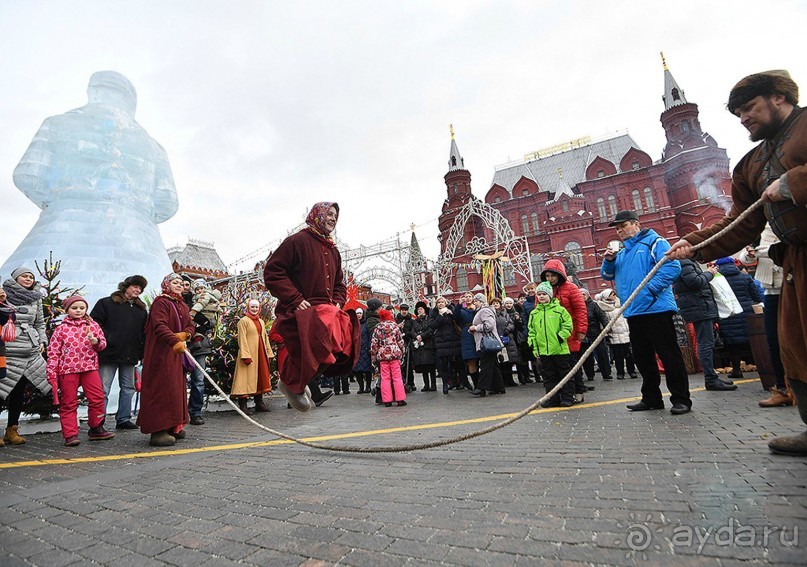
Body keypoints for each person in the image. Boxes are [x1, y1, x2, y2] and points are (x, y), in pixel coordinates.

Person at [667, 70, 807, 453]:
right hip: (796, 262)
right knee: (797, 346)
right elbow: (741, 223)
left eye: (749, 108)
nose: (744, 118)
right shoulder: (753, 164)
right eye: (738, 113)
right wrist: (693, 244)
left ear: (779, 97)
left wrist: (793, 183)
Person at [1, 71, 178, 302]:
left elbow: (27, 175)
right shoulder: (155, 148)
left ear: (93, 91)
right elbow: (167, 203)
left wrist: (63, 200)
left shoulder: (57, 124)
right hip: (142, 248)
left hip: (59, 235)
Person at [263, 202, 359, 412]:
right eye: (329, 214)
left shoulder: (333, 251)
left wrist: (337, 301)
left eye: (336, 216)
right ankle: (292, 383)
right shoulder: (297, 241)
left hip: (327, 311)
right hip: (302, 309)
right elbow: (272, 272)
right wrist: (295, 299)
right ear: (318, 214)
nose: (333, 219)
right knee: (324, 338)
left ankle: (297, 382)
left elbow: (339, 284)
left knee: (344, 340)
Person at [602, 210, 692, 415]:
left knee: (669, 355)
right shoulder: (622, 252)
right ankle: (651, 398)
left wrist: (649, 290)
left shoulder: (655, 242)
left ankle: (681, 399)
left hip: (656, 308)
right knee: (643, 358)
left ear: (636, 224)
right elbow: (607, 275)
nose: (620, 231)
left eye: (623, 226)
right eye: (617, 228)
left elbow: (672, 267)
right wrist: (609, 260)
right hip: (634, 312)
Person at [46, 295, 114, 446]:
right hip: (68, 370)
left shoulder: (93, 325)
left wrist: (95, 341)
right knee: (69, 402)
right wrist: (52, 372)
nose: (78, 311)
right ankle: (70, 434)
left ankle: (96, 428)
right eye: (74, 308)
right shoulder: (61, 329)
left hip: (89, 368)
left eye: (82, 308)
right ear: (67, 310)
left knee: (97, 398)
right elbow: (53, 352)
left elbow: (102, 344)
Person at [138, 273, 195, 446]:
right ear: (167, 285)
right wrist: (174, 340)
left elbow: (190, 325)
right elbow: (159, 325)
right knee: (161, 389)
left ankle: (173, 426)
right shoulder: (161, 303)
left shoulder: (182, 305)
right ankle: (158, 430)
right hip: (161, 353)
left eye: (181, 283)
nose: (179, 285)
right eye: (175, 282)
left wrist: (185, 335)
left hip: (176, 354)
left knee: (176, 388)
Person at [738, 224, 791, 406]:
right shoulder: (760, 225)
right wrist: (750, 254)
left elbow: (789, 250)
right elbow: (745, 256)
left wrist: (765, 252)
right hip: (770, 290)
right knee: (774, 342)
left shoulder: (789, 219)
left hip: (793, 284)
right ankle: (782, 388)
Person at [90, 275, 148, 430]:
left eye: (140, 288)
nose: (138, 290)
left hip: (130, 354)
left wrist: (142, 352)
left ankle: (123, 419)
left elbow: (144, 333)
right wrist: (108, 338)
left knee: (128, 388)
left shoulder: (141, 310)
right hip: (108, 352)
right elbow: (94, 323)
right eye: (135, 286)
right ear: (126, 286)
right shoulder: (106, 303)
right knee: (103, 389)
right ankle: (97, 422)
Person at [1, 267, 50, 445]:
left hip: (28, 349)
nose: (28, 279)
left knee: (19, 391)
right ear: (15, 278)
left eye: (31, 276)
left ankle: (12, 429)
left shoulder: (36, 297)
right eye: (24, 276)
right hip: (7, 347)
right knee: (1, 389)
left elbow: (39, 322)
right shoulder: (4, 294)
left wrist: (42, 340)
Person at [672, 260, 737, 391]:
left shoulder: (687, 263)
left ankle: (712, 376)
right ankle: (710, 379)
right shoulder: (685, 263)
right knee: (705, 343)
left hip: (700, 306)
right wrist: (710, 273)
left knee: (707, 342)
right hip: (699, 306)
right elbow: (695, 282)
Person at [540, 260, 588, 400]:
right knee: (554, 368)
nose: (550, 279)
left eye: (553, 275)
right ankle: (561, 395)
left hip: (569, 333)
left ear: (560, 275)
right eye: (547, 276)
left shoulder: (571, 288)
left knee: (572, 365)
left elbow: (580, 310)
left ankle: (578, 392)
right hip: (551, 335)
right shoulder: (543, 289)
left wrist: (581, 330)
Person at [713, 257, 764, 378]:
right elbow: (757, 296)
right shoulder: (746, 277)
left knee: (732, 345)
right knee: (753, 342)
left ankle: (736, 370)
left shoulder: (716, 281)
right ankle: (762, 367)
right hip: (747, 313)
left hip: (728, 315)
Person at [527, 282, 575, 407]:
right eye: (539, 294)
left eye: (544, 294)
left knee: (564, 374)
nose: (541, 296)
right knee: (548, 376)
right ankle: (552, 398)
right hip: (543, 351)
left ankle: (568, 397)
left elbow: (568, 325)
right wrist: (534, 347)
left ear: (550, 295)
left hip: (560, 350)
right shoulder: (534, 313)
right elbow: (532, 331)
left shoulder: (560, 310)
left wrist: (560, 337)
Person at [230, 299, 274, 415]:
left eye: (256, 307)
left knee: (259, 377)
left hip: (260, 353)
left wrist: (268, 352)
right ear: (248, 308)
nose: (254, 309)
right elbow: (242, 339)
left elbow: (265, 337)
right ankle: (243, 405)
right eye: (252, 307)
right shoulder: (243, 321)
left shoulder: (261, 321)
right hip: (249, 354)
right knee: (244, 379)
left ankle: (259, 402)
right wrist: (245, 355)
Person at [468, 293, 506, 397]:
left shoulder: (484, 310)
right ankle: (499, 387)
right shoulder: (483, 310)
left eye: (476, 301)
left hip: (486, 343)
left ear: (481, 301)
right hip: (486, 342)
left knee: (485, 365)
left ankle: (482, 388)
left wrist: (476, 328)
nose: (474, 303)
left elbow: (489, 325)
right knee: (492, 365)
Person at [596, 289, 638, 380]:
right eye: (612, 294)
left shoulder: (621, 304)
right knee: (618, 356)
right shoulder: (603, 308)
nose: (614, 296)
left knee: (629, 354)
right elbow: (603, 321)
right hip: (614, 334)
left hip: (625, 332)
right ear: (607, 296)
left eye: (614, 294)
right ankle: (620, 372)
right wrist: (606, 334)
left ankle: (632, 371)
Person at [370, 309, 407, 407]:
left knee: (385, 378)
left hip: (383, 355)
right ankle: (400, 399)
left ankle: (387, 401)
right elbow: (400, 341)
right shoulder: (395, 327)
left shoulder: (377, 328)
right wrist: (402, 352)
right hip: (394, 354)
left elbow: (374, 344)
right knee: (397, 377)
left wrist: (373, 356)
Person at [429, 296, 463, 394]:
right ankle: (445, 384)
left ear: (445, 303)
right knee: (444, 364)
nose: (440, 304)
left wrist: (451, 314)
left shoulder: (451, 310)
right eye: (438, 302)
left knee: (458, 363)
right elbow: (432, 325)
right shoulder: (434, 313)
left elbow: (457, 319)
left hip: (453, 340)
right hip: (442, 341)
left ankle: (461, 382)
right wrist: (440, 315)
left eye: (442, 302)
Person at [580, 288, 612, 382]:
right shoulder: (577, 306)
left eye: (583, 294)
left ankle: (606, 373)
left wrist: (607, 327)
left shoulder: (594, 305)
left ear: (588, 295)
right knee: (586, 356)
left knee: (602, 354)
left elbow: (602, 317)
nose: (582, 296)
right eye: (580, 294)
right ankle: (590, 375)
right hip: (583, 334)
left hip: (595, 333)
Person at [453, 291, 480, 390]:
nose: (468, 298)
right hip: (467, 335)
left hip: (478, 332)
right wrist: (459, 304)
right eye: (466, 297)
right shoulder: (461, 310)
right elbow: (456, 317)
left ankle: (483, 384)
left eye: (470, 296)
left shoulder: (477, 308)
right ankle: (476, 385)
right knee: (471, 360)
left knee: (481, 359)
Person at [490, 297, 518, 388]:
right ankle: (503, 380)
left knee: (508, 361)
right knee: (501, 361)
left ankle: (510, 379)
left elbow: (511, 323)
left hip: (507, 339)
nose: (495, 305)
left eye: (497, 303)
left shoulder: (505, 313)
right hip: (497, 339)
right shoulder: (490, 314)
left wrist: (508, 329)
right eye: (493, 303)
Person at [409, 301, 437, 392]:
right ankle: (426, 385)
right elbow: (412, 331)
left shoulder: (429, 319)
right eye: (418, 309)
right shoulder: (415, 321)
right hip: (419, 346)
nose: (420, 310)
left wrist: (422, 336)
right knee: (423, 366)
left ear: (424, 310)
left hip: (428, 345)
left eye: (421, 309)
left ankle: (433, 385)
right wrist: (416, 336)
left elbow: (431, 329)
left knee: (431, 366)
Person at [503, 297, 531, 384]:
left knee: (520, 358)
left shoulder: (516, 313)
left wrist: (518, 320)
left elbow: (521, 326)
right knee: (509, 359)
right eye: (507, 303)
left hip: (517, 337)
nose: (508, 305)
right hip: (508, 337)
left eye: (510, 303)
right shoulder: (503, 314)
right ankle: (510, 379)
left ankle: (523, 376)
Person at [352, 308, 374, 394]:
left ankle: (368, 386)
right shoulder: (353, 324)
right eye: (357, 313)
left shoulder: (366, 324)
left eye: (360, 313)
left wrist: (369, 347)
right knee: (358, 370)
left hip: (366, 350)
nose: (359, 315)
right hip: (357, 350)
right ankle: (361, 387)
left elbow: (369, 336)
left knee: (367, 370)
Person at [395, 304, 416, 391]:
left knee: (408, 364)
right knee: (400, 365)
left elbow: (413, 332)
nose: (404, 311)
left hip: (408, 343)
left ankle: (411, 383)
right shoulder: (396, 320)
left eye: (405, 310)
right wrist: (398, 327)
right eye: (402, 310)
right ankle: (400, 382)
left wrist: (406, 332)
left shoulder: (411, 321)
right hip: (398, 345)